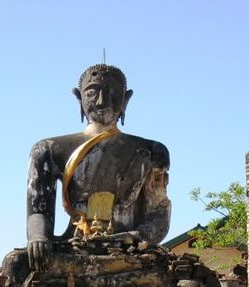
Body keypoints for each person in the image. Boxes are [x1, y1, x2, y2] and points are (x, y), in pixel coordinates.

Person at [25, 64, 171, 272]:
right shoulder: (48, 150)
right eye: (92, 93)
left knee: (161, 267)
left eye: (113, 93)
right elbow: (38, 212)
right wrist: (38, 238)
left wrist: (136, 238)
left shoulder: (151, 151)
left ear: (126, 99)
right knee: (16, 263)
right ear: (79, 98)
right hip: (74, 246)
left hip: (128, 252)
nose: (102, 101)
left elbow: (159, 212)